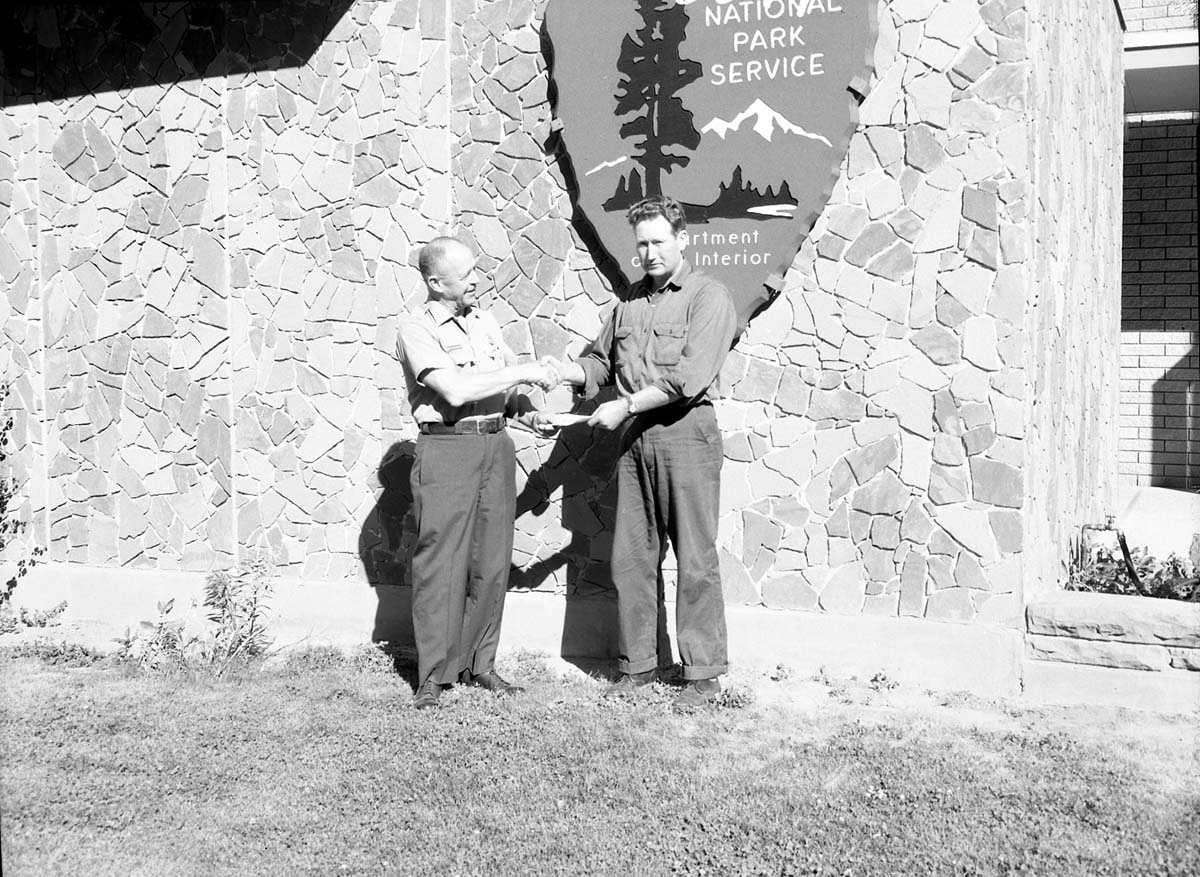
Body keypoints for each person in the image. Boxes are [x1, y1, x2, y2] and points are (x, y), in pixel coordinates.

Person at [541, 196, 738, 709]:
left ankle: (702, 675)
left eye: (658, 242)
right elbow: (600, 362)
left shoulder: (708, 297)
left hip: (685, 434)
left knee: (695, 558)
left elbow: (688, 379)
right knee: (631, 558)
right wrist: (565, 373)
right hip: (634, 442)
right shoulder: (629, 302)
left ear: (682, 239)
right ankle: (639, 666)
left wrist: (626, 405)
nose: (649, 253)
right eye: (642, 244)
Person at [396, 236, 557, 710]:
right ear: (435, 282)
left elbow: (503, 388)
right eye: (465, 274)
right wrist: (524, 372)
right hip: (448, 449)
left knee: (491, 560)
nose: (475, 280)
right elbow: (455, 390)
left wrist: (529, 414)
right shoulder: (415, 328)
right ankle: (434, 675)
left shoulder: (484, 321)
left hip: (495, 446)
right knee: (441, 563)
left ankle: (479, 663)